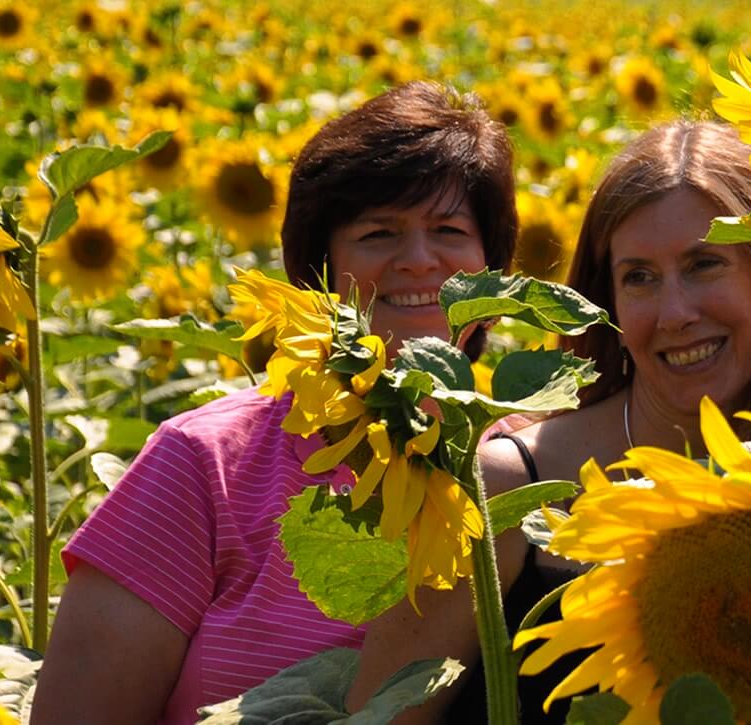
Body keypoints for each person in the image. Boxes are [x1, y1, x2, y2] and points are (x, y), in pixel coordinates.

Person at [35, 81, 518, 725]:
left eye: (448, 229)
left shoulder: (523, 465)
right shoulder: (206, 464)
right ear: (318, 266)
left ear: (492, 265)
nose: (419, 260)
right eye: (378, 233)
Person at [346, 119, 751, 723]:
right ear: (608, 304)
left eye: (704, 265)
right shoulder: (506, 487)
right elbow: (381, 713)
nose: (674, 313)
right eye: (639, 277)